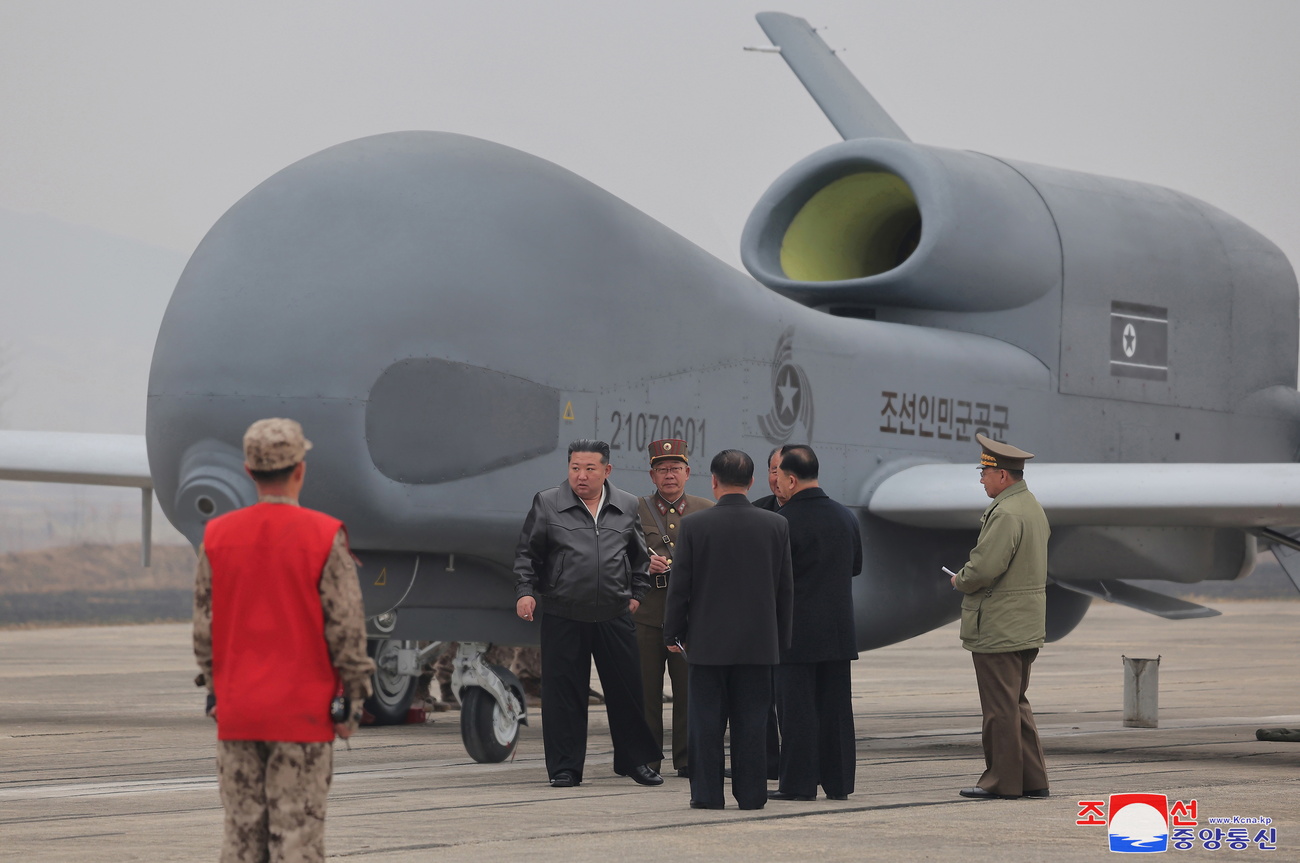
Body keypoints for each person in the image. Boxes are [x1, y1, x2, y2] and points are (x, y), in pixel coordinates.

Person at [193, 418, 374, 863]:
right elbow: (347, 629)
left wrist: (217, 692)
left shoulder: (216, 537)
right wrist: (353, 702)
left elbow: (204, 630)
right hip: (302, 719)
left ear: (248, 471)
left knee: (241, 841)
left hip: (238, 716)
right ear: (300, 470)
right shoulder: (324, 536)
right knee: (296, 843)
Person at [514, 439, 664, 788]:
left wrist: (637, 594)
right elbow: (527, 553)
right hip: (563, 612)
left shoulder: (627, 504)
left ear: (606, 470)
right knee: (563, 694)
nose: (581, 476)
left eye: (589, 469)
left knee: (627, 692)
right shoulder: (548, 502)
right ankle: (565, 768)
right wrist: (525, 592)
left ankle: (635, 761)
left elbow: (639, 556)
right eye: (575, 468)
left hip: (614, 613)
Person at [664, 449, 793, 810]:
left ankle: (707, 795)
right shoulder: (776, 525)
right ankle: (752, 795)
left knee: (705, 723)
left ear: (714, 482)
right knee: (752, 723)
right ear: (751, 481)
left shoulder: (694, 525)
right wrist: (781, 641)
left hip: (707, 644)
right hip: (758, 645)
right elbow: (785, 589)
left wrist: (672, 633)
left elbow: (680, 587)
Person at [950, 433, 1051, 800]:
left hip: (1000, 626)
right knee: (1015, 703)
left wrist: (960, 579)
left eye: (985, 472)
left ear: (1003, 475)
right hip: (1023, 624)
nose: (982, 479)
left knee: (999, 709)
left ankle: (1001, 782)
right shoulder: (1031, 506)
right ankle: (1033, 780)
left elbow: (984, 568)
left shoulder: (1005, 512)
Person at [769, 444, 862, 802]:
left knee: (797, 713)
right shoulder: (845, 516)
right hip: (838, 631)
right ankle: (839, 783)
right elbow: (855, 567)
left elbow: (772, 577)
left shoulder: (782, 521)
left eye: (780, 477)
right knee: (836, 711)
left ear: (791, 479)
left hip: (796, 633)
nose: (778, 484)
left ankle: (798, 784)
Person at [634, 438, 713, 778]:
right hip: (648, 615)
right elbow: (618, 555)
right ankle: (647, 759)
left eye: (675, 469)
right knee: (645, 692)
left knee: (689, 692)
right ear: (652, 475)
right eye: (662, 469)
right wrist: (643, 565)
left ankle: (688, 757)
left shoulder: (706, 510)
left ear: (687, 472)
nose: (669, 475)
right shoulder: (635, 510)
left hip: (690, 618)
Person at [752, 446, 787, 512]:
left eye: (786, 473)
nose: (779, 479)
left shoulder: (808, 509)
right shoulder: (756, 510)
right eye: (775, 472)